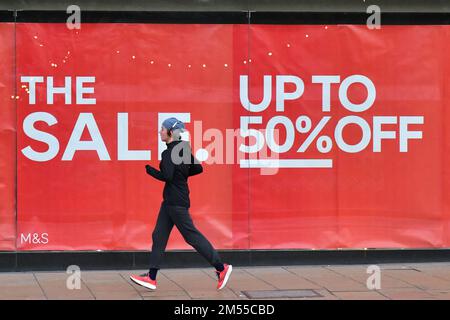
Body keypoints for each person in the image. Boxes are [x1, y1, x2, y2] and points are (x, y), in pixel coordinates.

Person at [130, 117, 232, 291]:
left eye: (162, 129)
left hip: (176, 202)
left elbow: (167, 176)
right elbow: (197, 169)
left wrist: (151, 170)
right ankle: (151, 277)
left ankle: (221, 268)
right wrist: (181, 176)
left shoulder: (169, 152)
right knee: (159, 236)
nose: (160, 132)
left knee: (191, 236)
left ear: (171, 132)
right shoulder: (183, 149)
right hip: (171, 202)